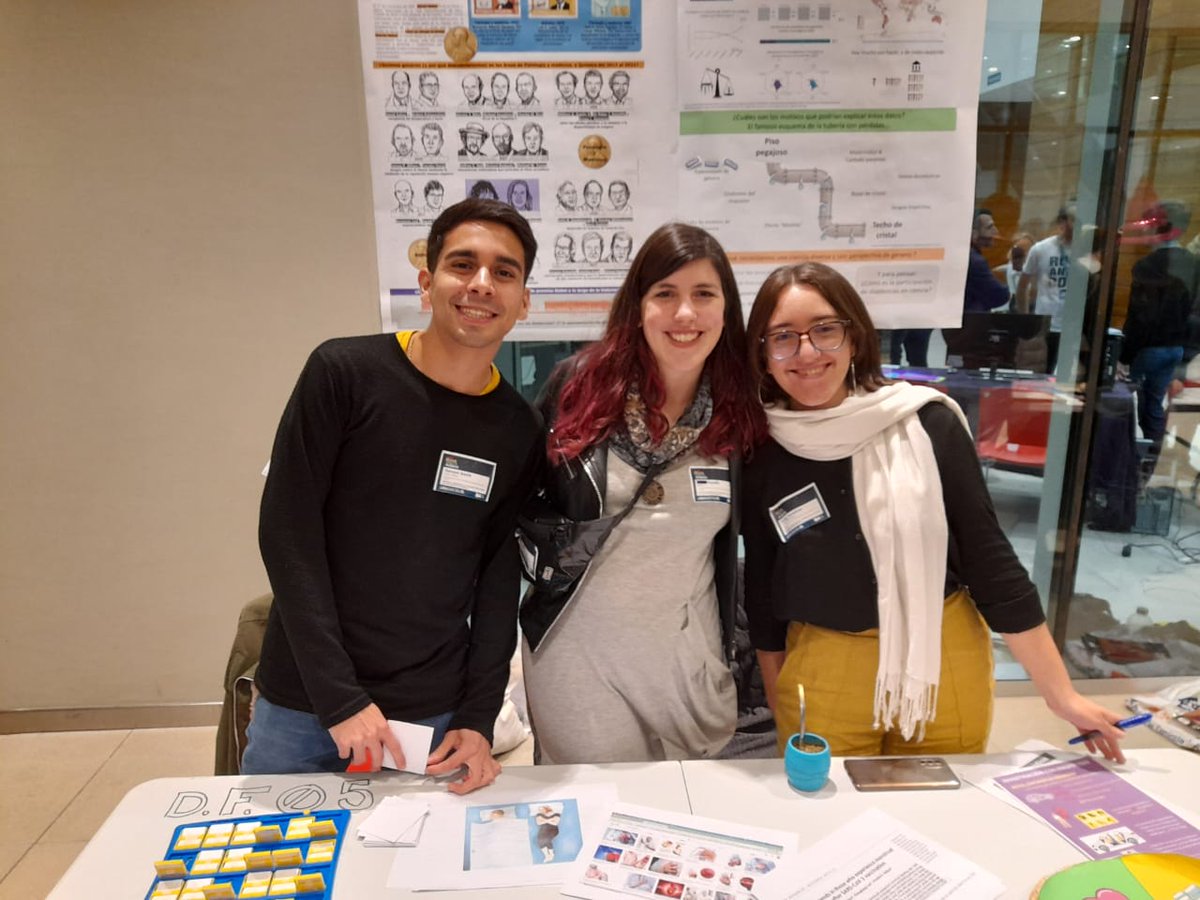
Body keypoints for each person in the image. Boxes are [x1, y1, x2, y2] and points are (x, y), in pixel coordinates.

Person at [741, 261, 1128, 762]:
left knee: (942, 816)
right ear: (763, 356)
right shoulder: (761, 449)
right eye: (783, 337)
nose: (808, 352)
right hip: (824, 669)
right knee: (827, 823)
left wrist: (1061, 694)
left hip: (942, 658)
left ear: (855, 338)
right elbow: (764, 588)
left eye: (825, 330)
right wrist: (777, 695)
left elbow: (991, 564)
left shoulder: (926, 422)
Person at [245, 199, 542, 793]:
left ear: (523, 301)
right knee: (277, 872)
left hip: (425, 712)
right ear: (428, 284)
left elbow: (496, 573)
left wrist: (478, 716)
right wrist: (339, 697)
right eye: (463, 265)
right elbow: (287, 531)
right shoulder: (344, 374)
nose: (482, 284)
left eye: (504, 272)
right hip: (305, 703)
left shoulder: (518, 428)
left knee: (404, 878)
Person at [519, 223, 767, 764]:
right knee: (602, 811)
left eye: (704, 295)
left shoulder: (740, 412)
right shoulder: (576, 389)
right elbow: (516, 507)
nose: (685, 314)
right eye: (665, 294)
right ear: (638, 307)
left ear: (726, 311)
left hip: (687, 655)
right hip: (580, 651)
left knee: (685, 821)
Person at [1120, 201, 1200, 451]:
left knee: (1126, 404)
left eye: (1149, 226)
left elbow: (1139, 317)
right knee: (1153, 405)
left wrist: (1124, 356)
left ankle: (1132, 459)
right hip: (1176, 348)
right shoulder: (1193, 263)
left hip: (1150, 349)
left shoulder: (1146, 267)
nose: (1143, 231)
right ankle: (1152, 459)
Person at [945, 209, 1011, 364]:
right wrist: (1011, 281)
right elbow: (998, 296)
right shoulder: (975, 261)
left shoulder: (960, 256)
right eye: (989, 227)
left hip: (956, 332)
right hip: (971, 333)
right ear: (973, 233)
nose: (996, 232)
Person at [1017, 204, 1076, 370]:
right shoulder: (1041, 249)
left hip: (1075, 326)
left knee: (1072, 376)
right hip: (1047, 323)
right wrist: (1026, 320)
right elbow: (1022, 286)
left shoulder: (1086, 250)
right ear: (1062, 222)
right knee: (1043, 371)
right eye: (1074, 220)